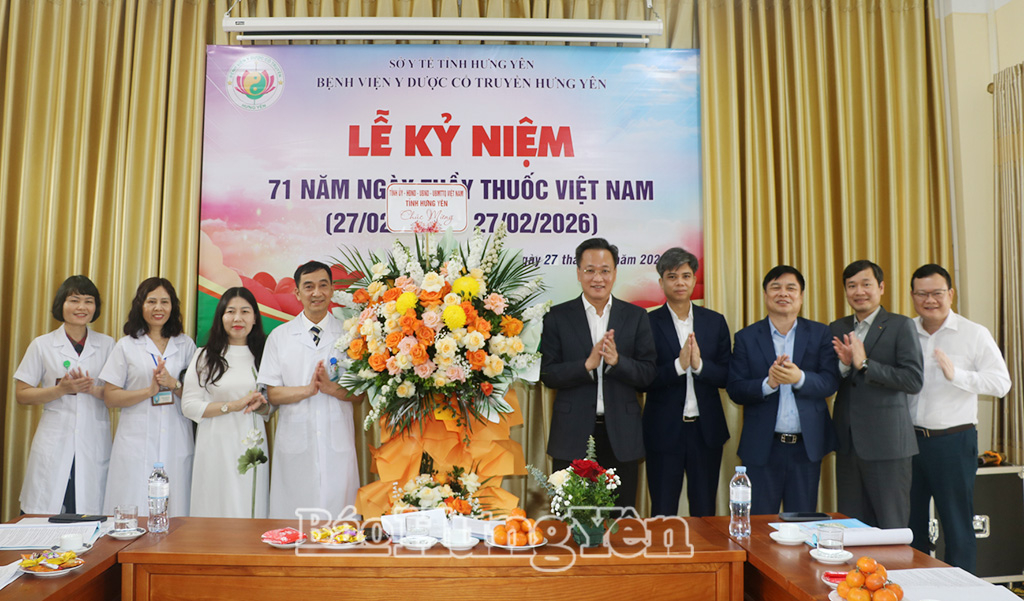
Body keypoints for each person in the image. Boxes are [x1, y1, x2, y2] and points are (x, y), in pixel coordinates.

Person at [907, 264, 1010, 573]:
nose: (930, 300)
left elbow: (1001, 384)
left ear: (950, 294)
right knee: (910, 524)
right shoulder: (904, 331)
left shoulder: (973, 333)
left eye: (937, 293)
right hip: (908, 442)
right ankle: (914, 587)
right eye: (922, 294)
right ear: (912, 296)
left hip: (952, 441)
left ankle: (961, 589)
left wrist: (958, 376)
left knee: (957, 524)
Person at [540, 238, 656, 511]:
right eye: (590, 270)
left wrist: (617, 362)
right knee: (573, 518)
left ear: (615, 273)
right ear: (578, 273)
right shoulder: (557, 316)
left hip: (621, 436)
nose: (598, 278)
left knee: (620, 518)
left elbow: (649, 374)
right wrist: (586, 365)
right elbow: (548, 373)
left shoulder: (636, 316)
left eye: (605, 270)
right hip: (572, 435)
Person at [727, 265, 839, 514]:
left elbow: (830, 382)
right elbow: (735, 388)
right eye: (775, 287)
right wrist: (768, 384)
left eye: (791, 288)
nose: (783, 293)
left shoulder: (820, 333)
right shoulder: (746, 337)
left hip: (806, 448)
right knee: (758, 524)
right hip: (762, 448)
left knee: (802, 521)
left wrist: (799, 378)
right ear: (765, 294)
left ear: (801, 296)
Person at [258, 261, 362, 519]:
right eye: (308, 287)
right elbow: (272, 393)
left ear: (332, 290)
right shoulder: (280, 337)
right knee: (294, 522)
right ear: (297, 293)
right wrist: (308, 390)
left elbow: (360, 394)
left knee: (340, 522)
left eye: (323, 285)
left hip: (337, 444)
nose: (316, 293)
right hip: (295, 445)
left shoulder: (350, 335)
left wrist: (331, 389)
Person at [829, 260, 923, 528]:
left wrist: (866, 364)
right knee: (851, 526)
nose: (859, 291)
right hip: (848, 444)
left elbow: (913, 379)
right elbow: (828, 380)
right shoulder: (837, 327)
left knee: (891, 525)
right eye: (852, 286)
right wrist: (845, 365)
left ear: (881, 287)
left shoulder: (900, 325)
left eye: (866, 284)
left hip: (888, 445)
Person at [14, 276, 115, 515]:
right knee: (45, 512)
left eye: (88, 301)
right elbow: (22, 394)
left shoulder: (108, 345)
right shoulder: (42, 345)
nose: (81, 307)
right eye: (74, 300)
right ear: (62, 304)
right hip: (54, 439)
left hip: (93, 440)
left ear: (96, 307)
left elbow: (116, 394)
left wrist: (92, 389)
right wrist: (61, 390)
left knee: (89, 513)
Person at [643, 248, 731, 517]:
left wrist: (699, 365)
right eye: (672, 277)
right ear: (661, 282)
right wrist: (678, 366)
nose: (679, 282)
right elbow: (642, 378)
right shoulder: (646, 323)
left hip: (706, 432)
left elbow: (727, 375)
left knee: (705, 511)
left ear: (694, 280)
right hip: (663, 432)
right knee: (662, 511)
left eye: (685, 276)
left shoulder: (714, 321)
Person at [101, 278, 196, 517]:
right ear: (140, 305)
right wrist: (148, 392)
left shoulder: (185, 345)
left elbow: (197, 396)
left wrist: (173, 384)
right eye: (151, 301)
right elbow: (110, 397)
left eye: (165, 302)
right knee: (134, 508)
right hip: (136, 441)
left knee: (176, 512)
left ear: (173, 306)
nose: (158, 308)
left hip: (176, 437)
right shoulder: (126, 345)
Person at [181, 287, 270, 518]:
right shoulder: (205, 356)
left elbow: (270, 407)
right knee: (215, 505)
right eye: (230, 311)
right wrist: (231, 406)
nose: (237, 318)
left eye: (245, 311)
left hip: (251, 445)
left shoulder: (264, 355)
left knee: (248, 506)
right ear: (221, 317)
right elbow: (189, 406)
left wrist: (262, 406)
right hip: (215, 444)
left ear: (255, 318)